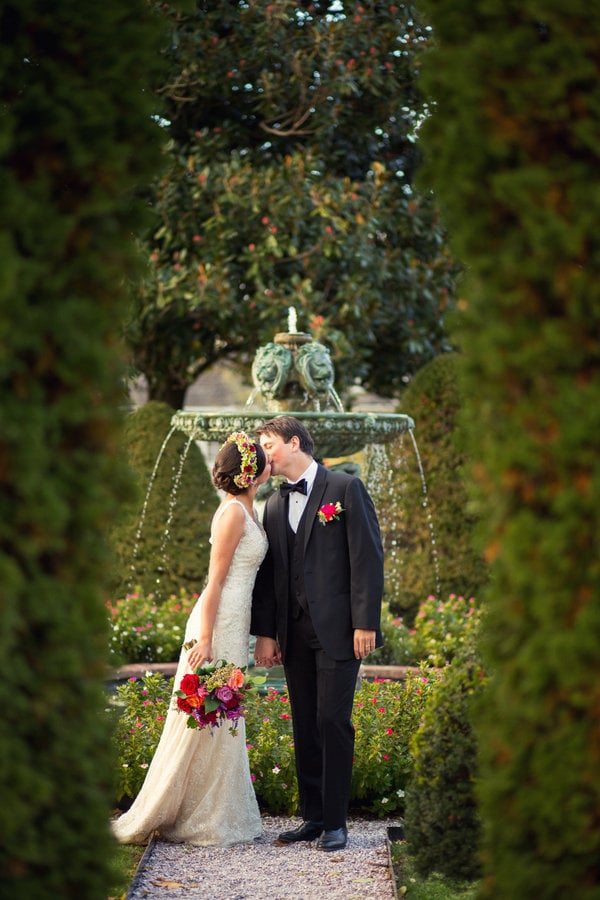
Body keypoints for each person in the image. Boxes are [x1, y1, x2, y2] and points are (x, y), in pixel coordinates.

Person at [112, 432, 271, 846]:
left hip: (236, 620)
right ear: (251, 472)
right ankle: (185, 813)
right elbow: (214, 583)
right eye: (262, 457)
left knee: (223, 717)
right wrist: (204, 639)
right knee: (203, 715)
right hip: (217, 622)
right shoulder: (234, 514)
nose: (269, 460)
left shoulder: (251, 510)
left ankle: (217, 810)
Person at [251, 416, 384, 852]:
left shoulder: (345, 489)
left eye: (268, 444)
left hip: (341, 631)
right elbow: (271, 576)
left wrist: (366, 622)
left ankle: (335, 823)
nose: (263, 453)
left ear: (293, 442)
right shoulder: (272, 503)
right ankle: (311, 818)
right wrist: (266, 634)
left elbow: (367, 559)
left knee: (332, 721)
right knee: (305, 724)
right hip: (293, 635)